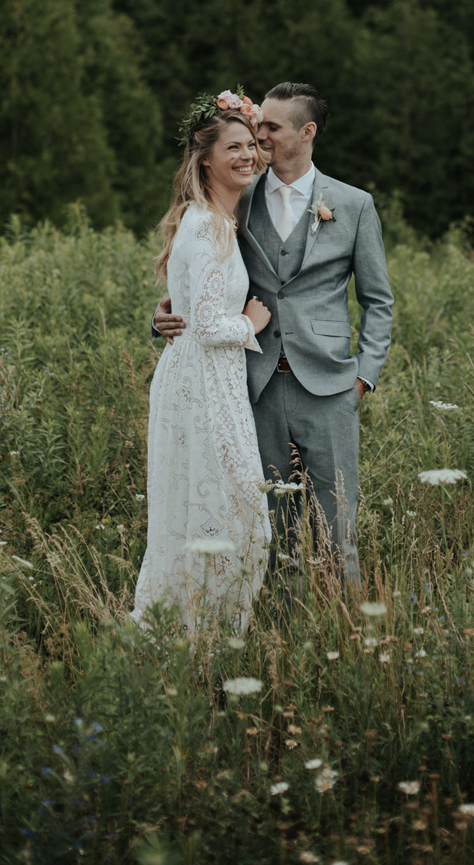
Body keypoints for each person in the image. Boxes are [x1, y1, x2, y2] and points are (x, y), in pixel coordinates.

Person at [154, 82, 394, 593]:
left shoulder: (353, 205)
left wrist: (363, 378)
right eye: (255, 126)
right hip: (252, 387)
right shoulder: (236, 197)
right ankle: (279, 636)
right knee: (269, 528)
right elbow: (194, 276)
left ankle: (342, 633)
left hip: (330, 388)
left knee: (337, 528)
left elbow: (379, 300)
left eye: (269, 127)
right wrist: (161, 320)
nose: (257, 135)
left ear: (306, 133)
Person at [131, 91, 274, 632]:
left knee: (196, 513)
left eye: (250, 146)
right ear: (205, 158)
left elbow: (190, 308)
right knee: (238, 520)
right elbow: (212, 325)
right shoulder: (209, 225)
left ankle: (191, 631)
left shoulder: (207, 217)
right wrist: (253, 322)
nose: (246, 155)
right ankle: (205, 637)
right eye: (232, 147)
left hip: (196, 378)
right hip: (206, 383)